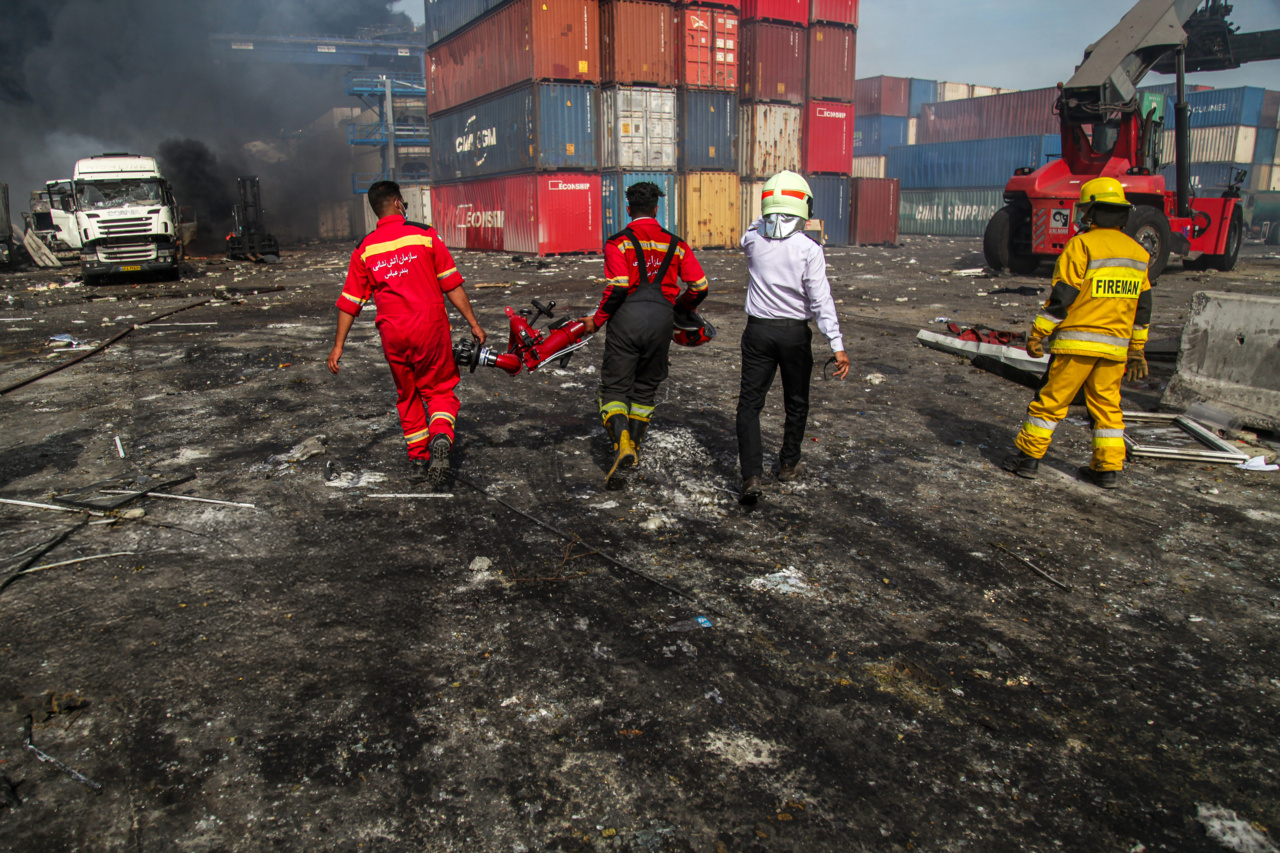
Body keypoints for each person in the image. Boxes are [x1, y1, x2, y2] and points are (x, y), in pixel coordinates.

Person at [327, 180, 486, 486]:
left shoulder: (364, 248)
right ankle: (440, 435)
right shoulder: (424, 235)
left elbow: (349, 302)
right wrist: (473, 322)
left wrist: (338, 347)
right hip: (429, 327)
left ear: (375, 210)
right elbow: (451, 283)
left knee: (408, 393)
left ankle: (418, 460)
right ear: (399, 203)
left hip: (393, 333)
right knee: (439, 389)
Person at [1001, 177, 1151, 489]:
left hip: (1076, 345)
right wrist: (1137, 347)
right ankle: (1107, 470)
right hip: (1114, 351)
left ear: (1091, 212)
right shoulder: (1138, 253)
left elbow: (1062, 296)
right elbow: (1143, 307)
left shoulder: (1081, 245)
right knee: (1107, 408)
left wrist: (1038, 332)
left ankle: (1027, 460)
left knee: (1050, 403)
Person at [577, 182, 709, 481]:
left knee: (614, 389)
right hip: (661, 320)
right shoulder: (676, 244)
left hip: (626, 319)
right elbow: (700, 286)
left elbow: (619, 285)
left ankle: (621, 443)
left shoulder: (618, 242)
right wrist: (681, 309)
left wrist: (597, 321)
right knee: (645, 390)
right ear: (656, 209)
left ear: (628, 209)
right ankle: (633, 448)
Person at [737, 171, 850, 503]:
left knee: (749, 405)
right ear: (804, 207)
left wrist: (769, 211)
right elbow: (820, 300)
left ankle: (751, 477)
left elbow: (751, 230)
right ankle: (787, 464)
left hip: (757, 331)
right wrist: (837, 344)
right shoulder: (809, 249)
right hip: (794, 334)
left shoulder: (754, 241)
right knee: (796, 401)